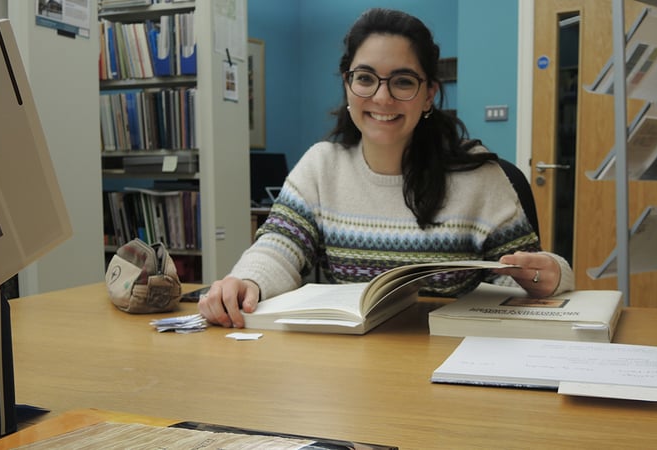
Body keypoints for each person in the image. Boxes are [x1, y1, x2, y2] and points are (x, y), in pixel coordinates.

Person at [199, 8, 574, 328]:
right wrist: (246, 281)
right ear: (347, 85)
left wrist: (550, 274)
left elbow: (527, 275)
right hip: (351, 364)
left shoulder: (479, 177)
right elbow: (277, 249)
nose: (382, 97)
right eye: (365, 79)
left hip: (455, 354)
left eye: (403, 82)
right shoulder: (320, 165)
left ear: (429, 95)